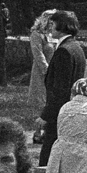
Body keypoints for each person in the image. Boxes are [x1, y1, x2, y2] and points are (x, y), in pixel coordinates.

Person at [38, 10, 86, 166]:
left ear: (62, 25)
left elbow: (60, 89)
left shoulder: (64, 51)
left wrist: (45, 115)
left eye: (53, 23)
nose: (50, 27)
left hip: (60, 113)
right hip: (70, 110)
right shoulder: (76, 47)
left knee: (47, 159)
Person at [28, 9, 58, 141]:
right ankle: (38, 133)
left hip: (54, 72)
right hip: (41, 73)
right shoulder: (36, 34)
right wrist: (46, 71)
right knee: (41, 101)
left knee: (51, 100)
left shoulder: (53, 35)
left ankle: (48, 130)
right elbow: (38, 54)